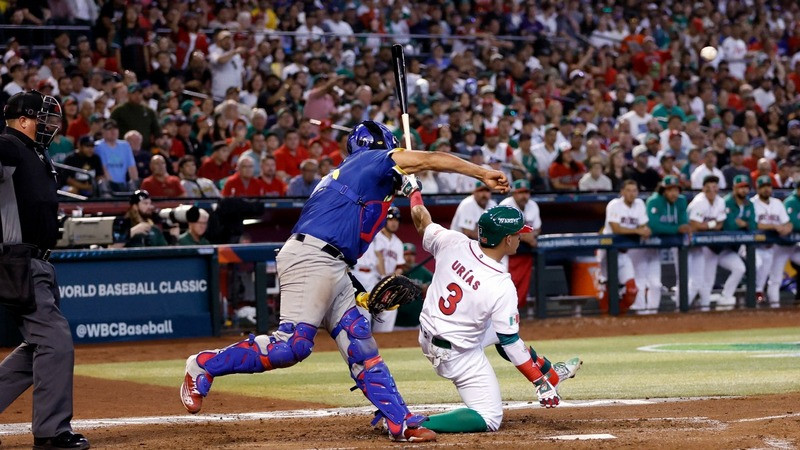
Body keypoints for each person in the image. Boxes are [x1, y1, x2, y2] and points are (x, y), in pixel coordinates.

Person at [180, 120, 509, 443]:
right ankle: (204, 365)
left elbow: (355, 222)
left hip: (332, 263)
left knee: (360, 344)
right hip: (313, 256)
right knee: (291, 346)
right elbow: (429, 158)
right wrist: (481, 173)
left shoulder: (354, 175)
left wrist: (409, 190)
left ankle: (400, 421)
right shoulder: (370, 160)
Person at [408, 197, 581, 433]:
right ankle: (411, 422)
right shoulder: (501, 284)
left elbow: (421, 220)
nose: (521, 237)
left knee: (500, 330)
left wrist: (413, 191)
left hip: (431, 333)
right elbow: (510, 342)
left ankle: (551, 374)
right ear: (507, 239)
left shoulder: (453, 240)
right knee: (489, 417)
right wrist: (537, 381)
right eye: (518, 233)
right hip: (456, 353)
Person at [0, 91, 91, 449]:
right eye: (42, 119)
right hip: (17, 260)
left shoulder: (36, 152)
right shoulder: (9, 146)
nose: (50, 126)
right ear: (22, 120)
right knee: (55, 340)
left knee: (38, 345)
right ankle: (51, 432)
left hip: (38, 262)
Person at [637, 175, 690, 314]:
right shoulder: (654, 201)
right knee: (640, 281)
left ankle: (653, 313)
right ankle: (639, 313)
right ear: (663, 190)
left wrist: (672, 229)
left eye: (676, 190)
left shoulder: (681, 201)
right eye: (670, 190)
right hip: (645, 245)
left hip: (660, 246)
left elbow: (684, 223)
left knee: (655, 284)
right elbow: (653, 226)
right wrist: (675, 229)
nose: (673, 193)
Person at [598, 180, 649, 314]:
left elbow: (643, 225)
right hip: (608, 252)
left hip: (624, 253)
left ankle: (620, 316)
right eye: (628, 190)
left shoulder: (639, 204)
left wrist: (645, 230)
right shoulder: (614, 205)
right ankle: (606, 318)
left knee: (632, 290)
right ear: (622, 192)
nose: (632, 194)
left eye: (634, 191)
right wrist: (637, 231)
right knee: (608, 288)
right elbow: (616, 229)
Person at [686, 175, 729, 311]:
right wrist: (712, 224)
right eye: (708, 187)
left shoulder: (720, 201)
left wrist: (706, 225)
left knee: (708, 278)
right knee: (692, 280)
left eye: (714, 186)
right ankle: (681, 308)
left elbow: (720, 224)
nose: (711, 190)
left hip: (708, 244)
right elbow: (694, 225)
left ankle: (704, 308)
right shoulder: (699, 202)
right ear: (703, 188)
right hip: (690, 243)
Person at [498, 180, 541, 308]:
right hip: (505, 251)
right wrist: (526, 237)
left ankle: (515, 311)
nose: (524, 196)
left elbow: (538, 228)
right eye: (521, 192)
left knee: (521, 285)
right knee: (505, 282)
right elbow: (503, 230)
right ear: (514, 194)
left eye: (526, 192)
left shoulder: (533, 205)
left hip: (523, 250)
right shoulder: (505, 206)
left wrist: (531, 235)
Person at [752, 175, 793, 308]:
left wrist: (787, 228)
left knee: (773, 277)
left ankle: (771, 304)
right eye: (763, 187)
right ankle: (753, 293)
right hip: (753, 246)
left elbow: (787, 222)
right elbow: (754, 224)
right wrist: (774, 226)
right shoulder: (752, 203)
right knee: (757, 265)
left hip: (771, 247)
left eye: (768, 186)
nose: (766, 189)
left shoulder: (777, 203)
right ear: (757, 189)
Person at [719, 175, 756, 309]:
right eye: (741, 187)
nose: (744, 190)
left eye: (746, 187)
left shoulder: (749, 204)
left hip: (732, 249)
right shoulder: (726, 202)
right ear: (734, 188)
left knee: (741, 268)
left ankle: (726, 297)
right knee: (703, 281)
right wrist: (743, 224)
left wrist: (743, 224)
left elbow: (753, 225)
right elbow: (729, 226)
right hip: (716, 248)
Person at [369, 206, 406, 333]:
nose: (394, 223)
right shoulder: (375, 237)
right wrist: (383, 276)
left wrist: (392, 279)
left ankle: (382, 338)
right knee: (364, 312)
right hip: (371, 277)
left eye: (396, 220)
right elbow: (378, 257)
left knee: (390, 308)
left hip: (386, 282)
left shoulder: (398, 243)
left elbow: (400, 266)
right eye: (391, 219)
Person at [393, 243, 432, 329]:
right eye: (406, 254)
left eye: (412, 254)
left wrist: (427, 285)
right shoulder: (395, 269)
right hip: (396, 323)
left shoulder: (420, 269)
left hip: (416, 322)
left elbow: (435, 280)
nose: (409, 258)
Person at [94, 119, 138, 192]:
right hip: (107, 186)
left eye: (115, 128)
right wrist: (113, 187)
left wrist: (135, 185)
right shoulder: (98, 146)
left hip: (123, 185)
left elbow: (132, 168)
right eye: (109, 129)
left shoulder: (125, 146)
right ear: (103, 131)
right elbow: (103, 169)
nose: (113, 131)